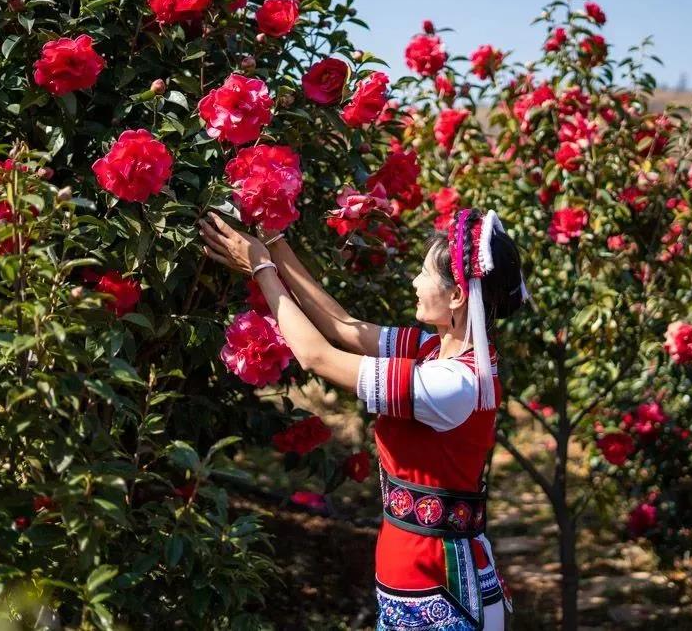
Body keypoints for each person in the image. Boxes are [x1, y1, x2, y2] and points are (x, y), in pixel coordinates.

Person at [198, 206, 528, 630]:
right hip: (419, 576)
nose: (415, 282)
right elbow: (342, 325)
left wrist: (261, 269)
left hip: (440, 589)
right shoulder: (433, 350)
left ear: (457, 297)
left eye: (424, 273)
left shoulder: (450, 384)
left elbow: (317, 356)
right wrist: (274, 239)